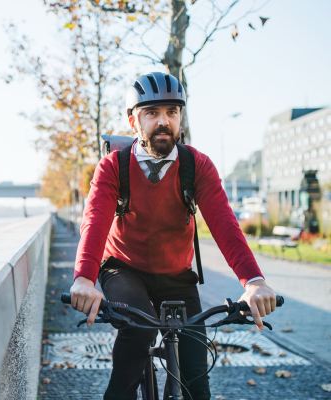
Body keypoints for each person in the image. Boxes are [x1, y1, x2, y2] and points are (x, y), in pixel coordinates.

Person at [69, 72, 277, 400]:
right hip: (123, 267)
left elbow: (225, 225)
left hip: (177, 275)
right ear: (133, 121)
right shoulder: (113, 167)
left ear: (181, 117)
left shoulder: (197, 167)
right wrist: (84, 279)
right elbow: (94, 222)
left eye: (172, 112)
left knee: (196, 375)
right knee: (139, 331)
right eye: (152, 113)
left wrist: (253, 281)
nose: (163, 121)